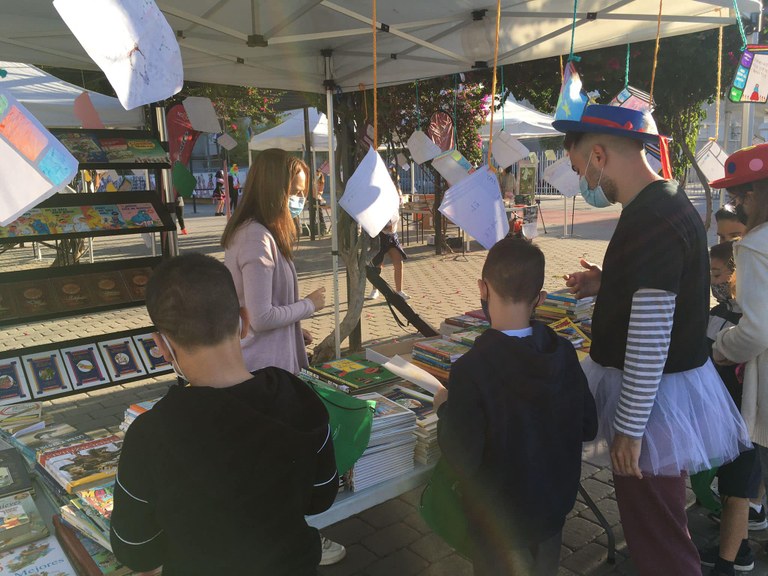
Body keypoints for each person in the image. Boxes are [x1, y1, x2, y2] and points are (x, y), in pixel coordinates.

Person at [555, 104, 749, 575]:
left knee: (658, 539)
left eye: (583, 170)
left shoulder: (651, 217)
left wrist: (630, 429)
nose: (587, 184)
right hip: (664, 399)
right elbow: (662, 288)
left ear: (599, 155)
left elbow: (651, 331)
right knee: (661, 525)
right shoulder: (664, 200)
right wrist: (609, 281)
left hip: (653, 405)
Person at [109, 253, 338, 576]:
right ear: (244, 322)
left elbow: (135, 549)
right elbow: (322, 496)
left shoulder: (149, 434)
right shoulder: (299, 398)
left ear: (162, 346)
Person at [433, 237, 597, 576]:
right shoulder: (563, 354)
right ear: (541, 298)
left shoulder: (471, 369)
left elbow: (462, 455)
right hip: (551, 509)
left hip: (498, 521)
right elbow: (588, 426)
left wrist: (444, 409)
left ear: (482, 288)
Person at [220, 149, 344, 566]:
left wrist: (294, 327)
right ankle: (290, 539)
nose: (300, 200)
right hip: (263, 372)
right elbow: (260, 316)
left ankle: (283, 535)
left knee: (272, 462)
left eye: (303, 193)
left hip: (270, 365)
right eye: (295, 191)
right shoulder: (257, 237)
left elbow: (262, 311)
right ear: (275, 188)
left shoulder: (261, 233)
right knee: (278, 463)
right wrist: (309, 305)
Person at [711, 143, 768, 574]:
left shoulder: (754, 246)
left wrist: (720, 346)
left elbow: (756, 330)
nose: (737, 205)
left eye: (741, 196)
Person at [697, 241, 762, 575]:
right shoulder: (716, 314)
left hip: (744, 421)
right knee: (732, 490)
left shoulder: (753, 323)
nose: (714, 280)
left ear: (738, 276)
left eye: (719, 273)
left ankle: (729, 561)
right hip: (722, 415)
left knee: (736, 493)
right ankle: (740, 544)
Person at [367, 170, 409, 301]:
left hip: (392, 234)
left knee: (398, 261)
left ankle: (399, 291)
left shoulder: (396, 193)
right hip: (380, 234)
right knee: (377, 263)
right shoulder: (377, 193)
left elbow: (398, 207)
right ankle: (375, 290)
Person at [315, 170, 327, 236]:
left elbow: (321, 191)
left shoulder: (321, 181)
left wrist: (318, 193)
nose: (316, 175)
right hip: (313, 198)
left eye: (317, 174)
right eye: (315, 174)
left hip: (318, 198)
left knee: (320, 213)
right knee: (312, 212)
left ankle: (323, 227)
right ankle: (313, 227)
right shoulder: (313, 181)